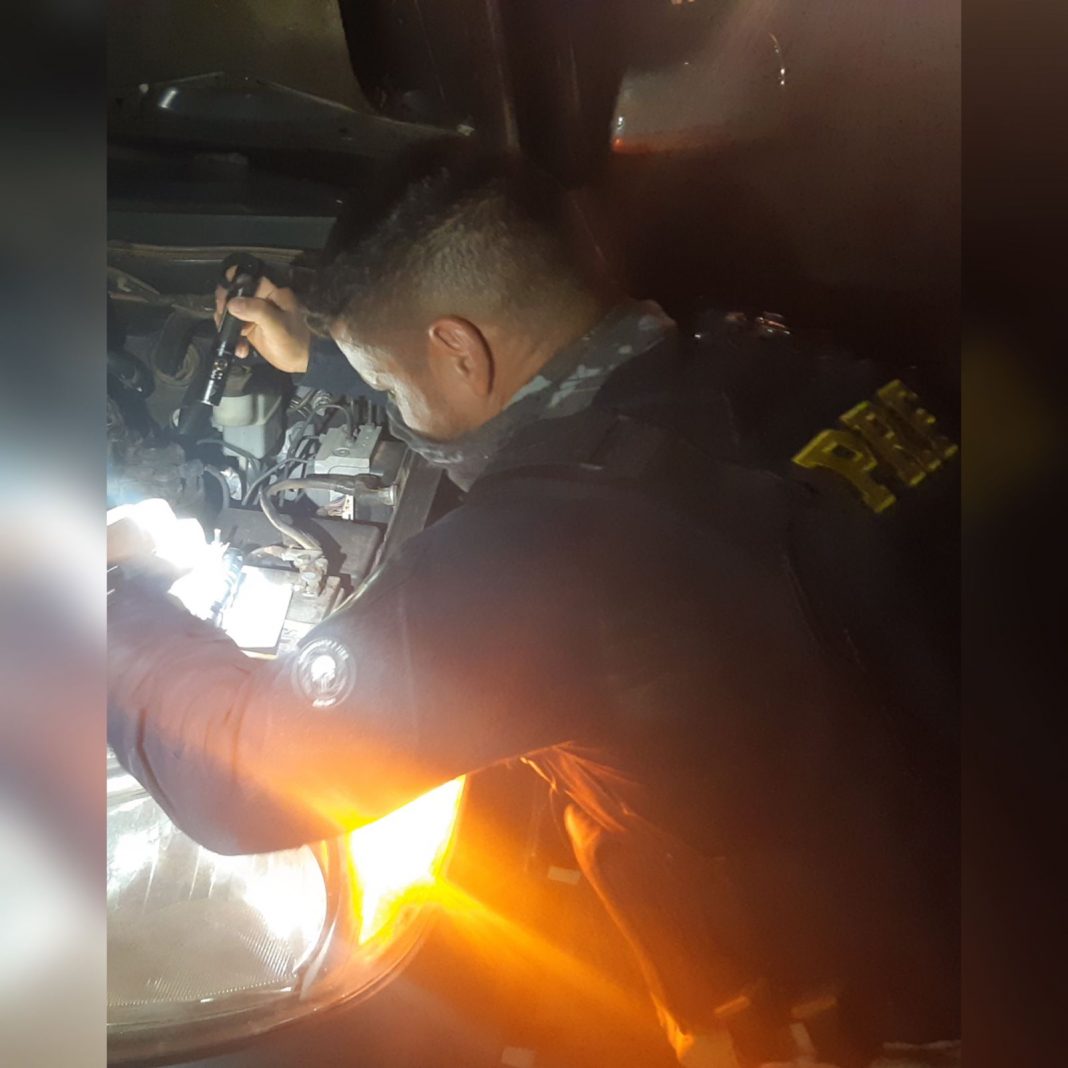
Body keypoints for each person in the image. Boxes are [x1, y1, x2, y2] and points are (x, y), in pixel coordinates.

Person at [108, 147, 960, 1068]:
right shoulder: (770, 352)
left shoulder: (552, 556)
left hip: (892, 1001)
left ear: (459, 350)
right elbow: (522, 396)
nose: (392, 407)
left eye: (391, 387)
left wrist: (110, 595)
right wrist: (331, 362)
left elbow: (244, 775)